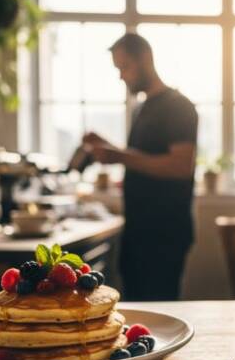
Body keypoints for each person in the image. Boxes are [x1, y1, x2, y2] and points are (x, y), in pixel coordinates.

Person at [82, 33, 198, 301]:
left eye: (124, 67)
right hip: (138, 229)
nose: (121, 76)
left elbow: (181, 166)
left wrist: (118, 155)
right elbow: (142, 158)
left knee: (161, 311)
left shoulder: (178, 106)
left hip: (164, 233)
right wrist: (108, 148)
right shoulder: (141, 108)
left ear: (145, 59)